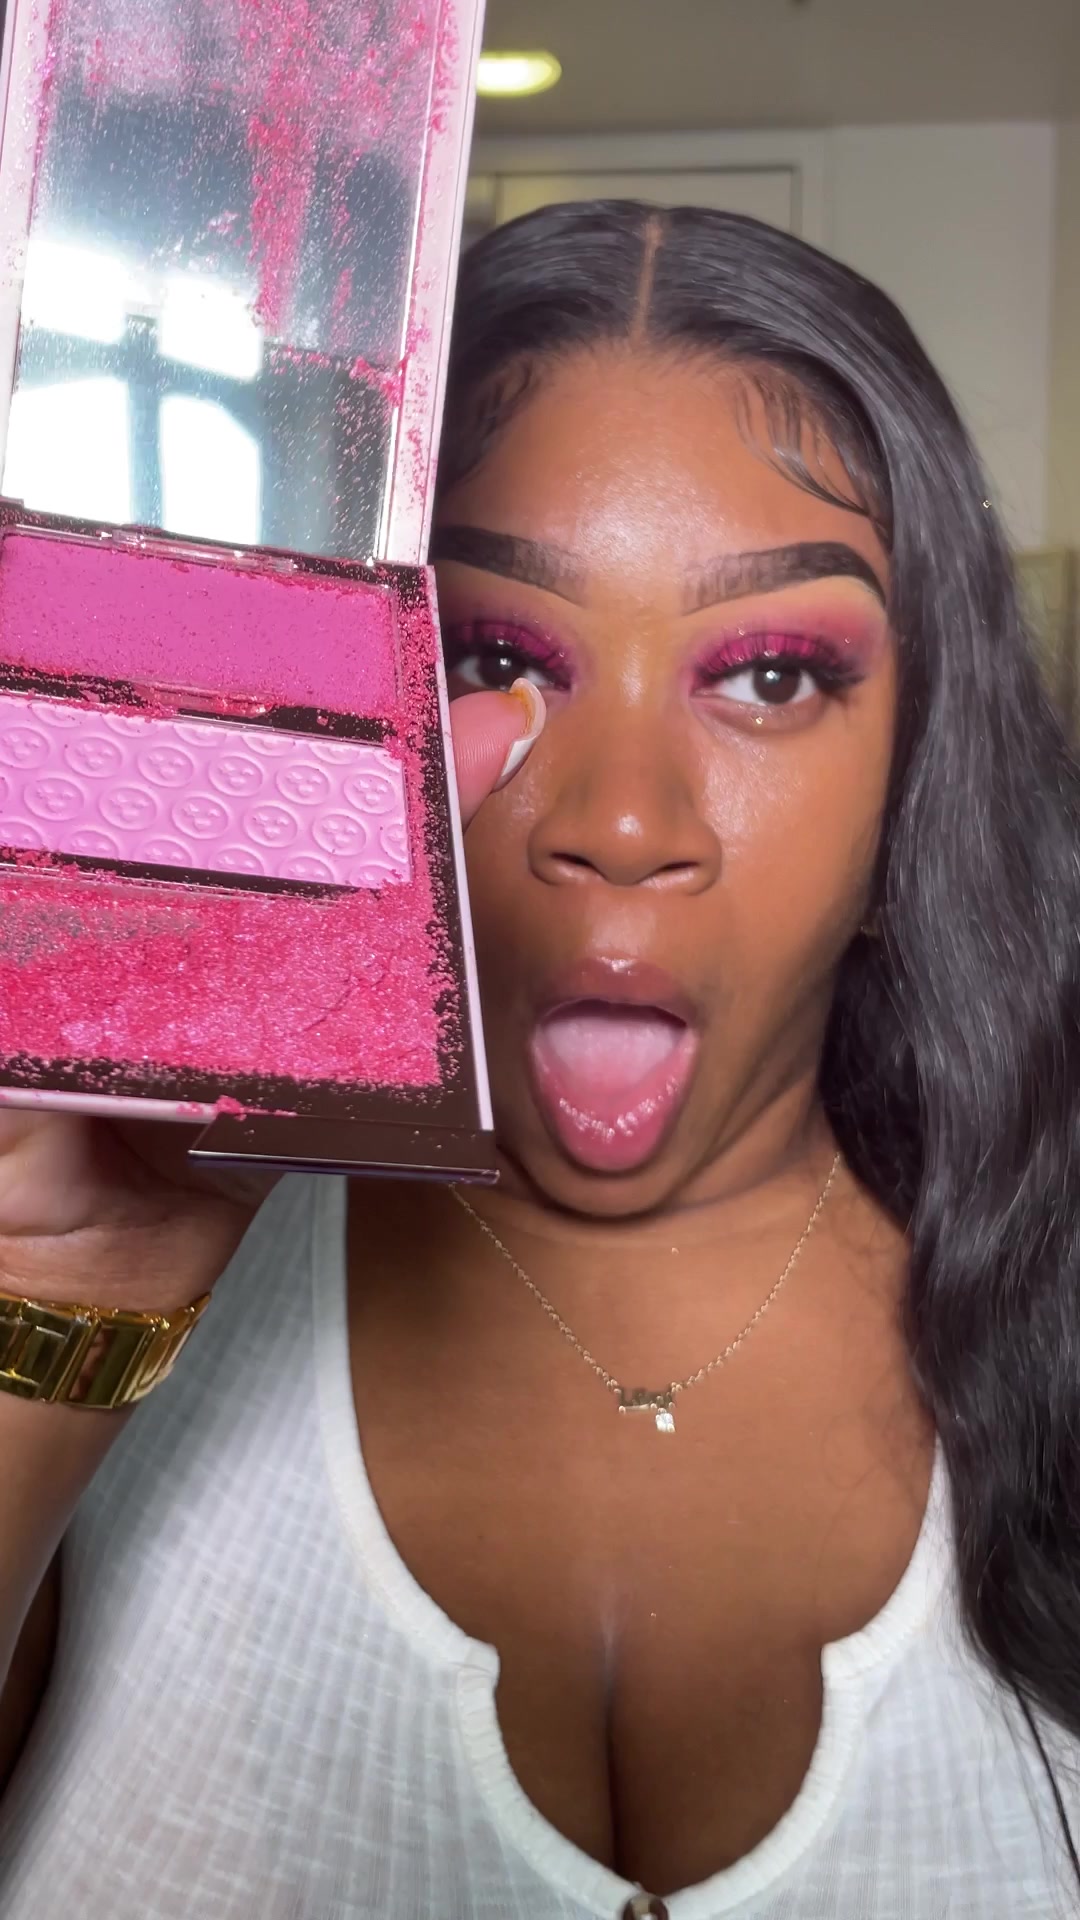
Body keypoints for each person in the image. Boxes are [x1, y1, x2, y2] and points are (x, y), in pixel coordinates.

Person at [0, 200, 1078, 1920]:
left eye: (773, 675)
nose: (623, 822)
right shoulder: (106, 1286)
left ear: (914, 796)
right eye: (497, 657)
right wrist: (53, 1320)